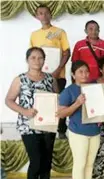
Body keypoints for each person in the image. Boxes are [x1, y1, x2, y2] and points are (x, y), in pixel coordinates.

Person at [5, 47, 59, 179]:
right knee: (36, 162)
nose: (37, 60)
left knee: (46, 164)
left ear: (44, 60)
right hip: (28, 127)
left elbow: (57, 99)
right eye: (33, 58)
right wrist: (25, 111)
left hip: (47, 126)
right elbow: (9, 100)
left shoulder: (51, 79)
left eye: (40, 58)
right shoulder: (20, 79)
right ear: (27, 60)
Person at [57, 60, 104, 179]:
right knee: (80, 164)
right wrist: (77, 103)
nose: (84, 74)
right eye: (80, 72)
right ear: (73, 75)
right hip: (78, 133)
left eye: (86, 72)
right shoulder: (68, 91)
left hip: (95, 132)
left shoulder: (94, 88)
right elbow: (61, 114)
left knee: (90, 165)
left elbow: (99, 108)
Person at [30, 4, 70, 139]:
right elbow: (32, 56)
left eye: (46, 13)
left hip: (58, 75)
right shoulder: (34, 35)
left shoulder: (59, 32)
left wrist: (58, 70)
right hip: (40, 76)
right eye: (40, 13)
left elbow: (66, 52)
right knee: (42, 102)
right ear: (37, 16)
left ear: (51, 15)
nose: (44, 15)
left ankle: (62, 129)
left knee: (60, 101)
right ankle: (43, 128)